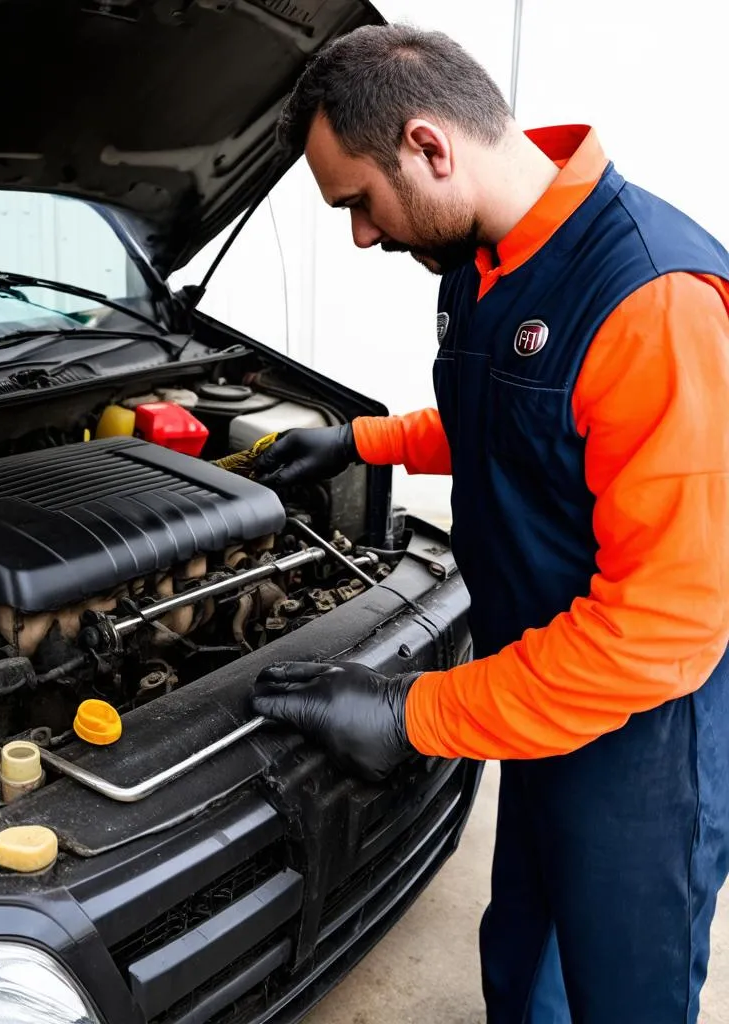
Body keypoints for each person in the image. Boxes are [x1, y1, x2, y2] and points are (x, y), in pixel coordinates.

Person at [249, 22, 729, 1024]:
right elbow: (512, 421)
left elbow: (666, 626)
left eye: (360, 205)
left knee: (623, 990)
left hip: (640, 732)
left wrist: (412, 713)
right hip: (531, 683)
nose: (364, 237)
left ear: (429, 146)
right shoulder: (484, 257)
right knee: (520, 950)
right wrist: (362, 442)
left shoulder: (652, 302)